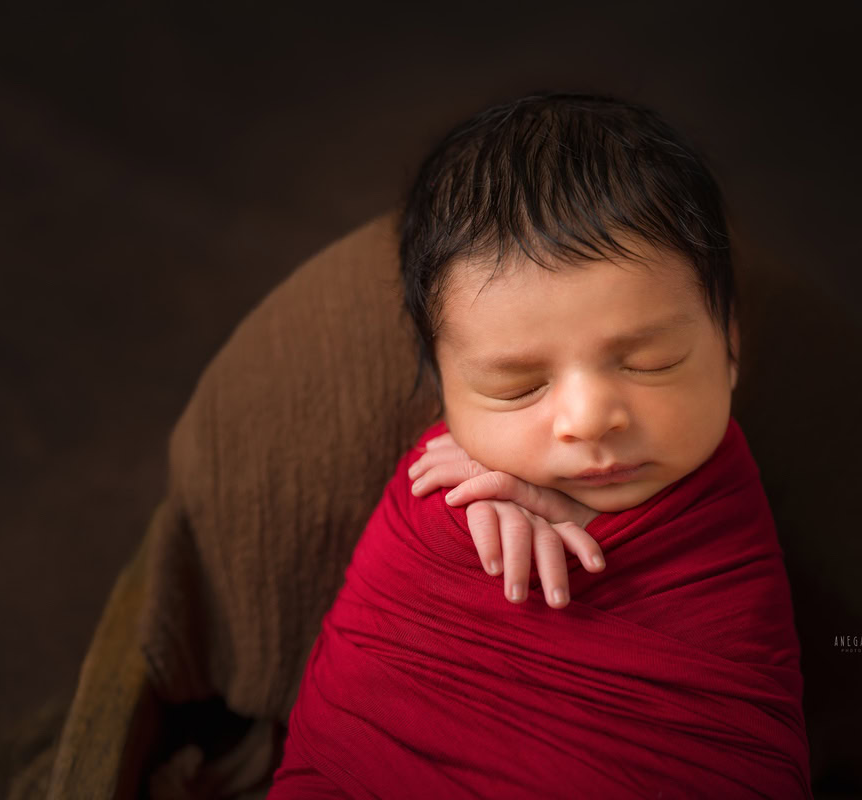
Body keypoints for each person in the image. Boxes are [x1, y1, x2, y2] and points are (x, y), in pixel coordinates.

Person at [267, 90, 812, 798]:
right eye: (517, 388)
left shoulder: (720, 519)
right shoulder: (436, 500)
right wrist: (463, 515)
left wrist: (591, 530)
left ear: (729, 347)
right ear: (446, 397)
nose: (589, 420)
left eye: (650, 363)